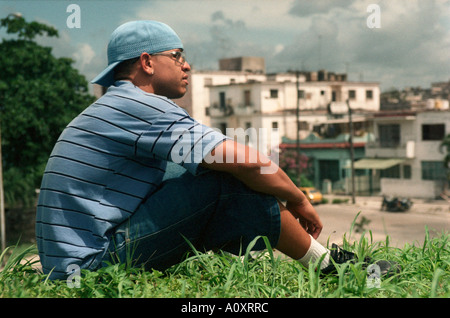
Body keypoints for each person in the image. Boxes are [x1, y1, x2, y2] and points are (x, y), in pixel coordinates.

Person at [35, 20, 361, 280]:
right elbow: (249, 164)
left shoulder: (113, 105)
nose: (187, 66)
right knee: (229, 176)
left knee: (194, 165)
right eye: (177, 56)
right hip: (94, 265)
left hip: (67, 267)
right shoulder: (139, 105)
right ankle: (329, 266)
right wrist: (299, 199)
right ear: (147, 62)